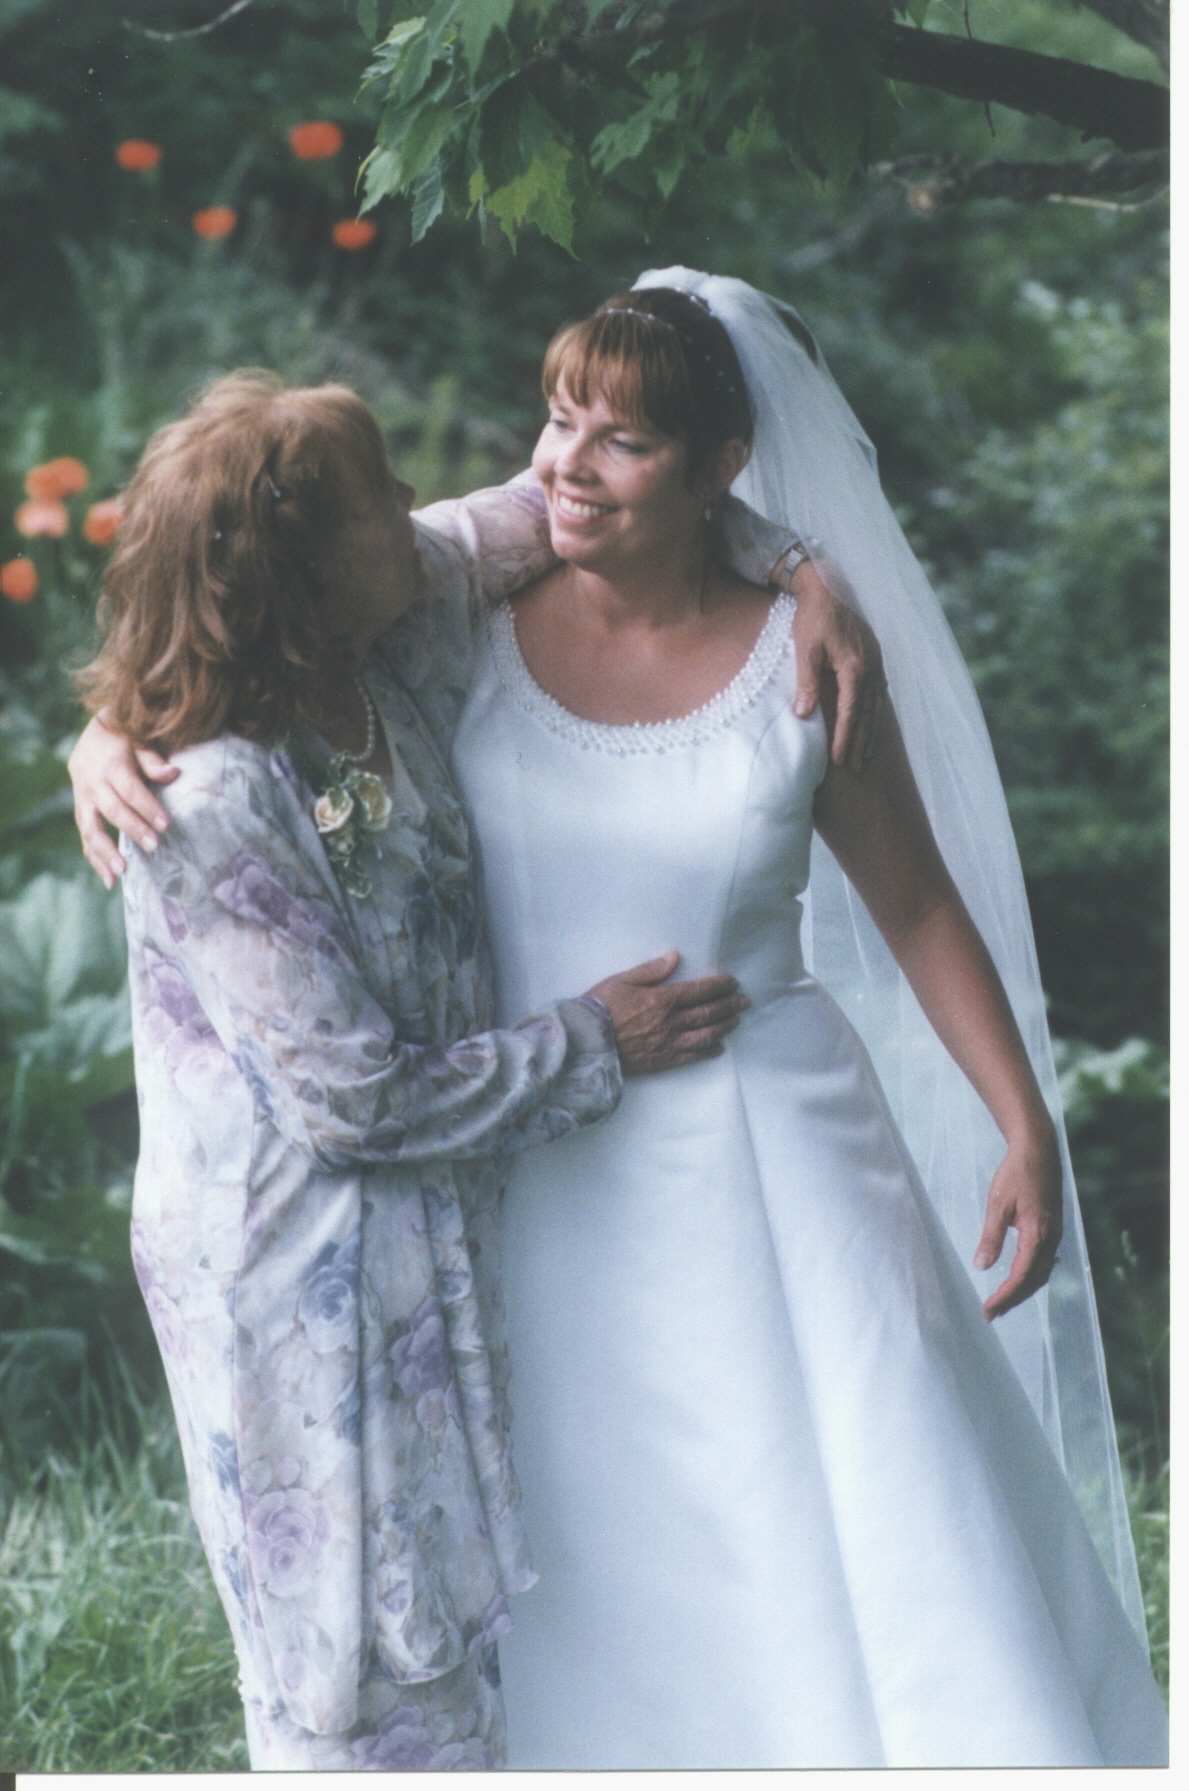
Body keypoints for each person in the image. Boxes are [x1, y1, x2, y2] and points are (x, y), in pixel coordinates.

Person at [69, 368, 869, 1770]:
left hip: (425, 1231)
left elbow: (575, 506)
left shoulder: (390, 628)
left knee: (453, 1641)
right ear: (300, 568)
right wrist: (596, 1040)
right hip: (290, 1277)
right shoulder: (209, 796)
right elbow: (351, 1100)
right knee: (351, 1668)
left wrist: (804, 571)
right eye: (378, 500)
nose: (416, 505)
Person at [437, 274, 1167, 1767]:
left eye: (624, 440)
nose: (569, 465)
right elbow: (246, 615)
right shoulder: (460, 623)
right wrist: (111, 735)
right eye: (559, 420)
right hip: (543, 1162)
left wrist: (1022, 1125)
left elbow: (917, 902)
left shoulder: (807, 653)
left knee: (870, 1516)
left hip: (782, 1152)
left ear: (719, 469)